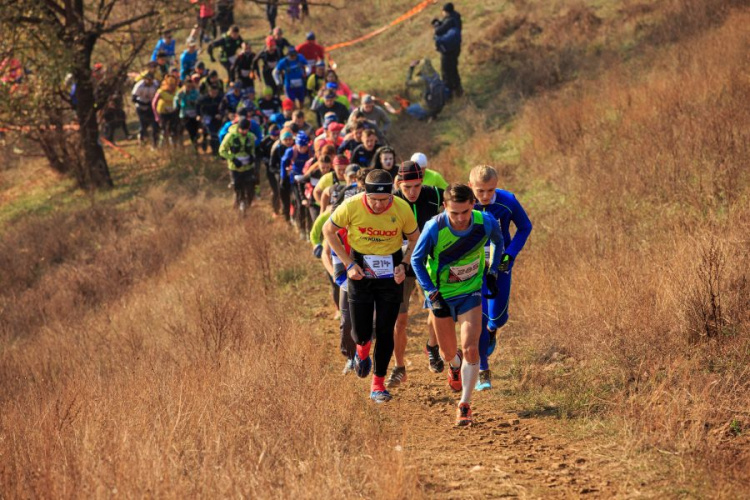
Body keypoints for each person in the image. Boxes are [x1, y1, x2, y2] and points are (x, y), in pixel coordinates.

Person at [411, 183, 505, 426]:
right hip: (441, 295)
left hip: (470, 292)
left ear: (472, 205)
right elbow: (416, 261)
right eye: (454, 213)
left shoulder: (486, 221)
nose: (461, 218)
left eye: (465, 212)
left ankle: (464, 404)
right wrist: (431, 293)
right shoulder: (435, 227)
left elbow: (499, 242)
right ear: (445, 207)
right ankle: (454, 365)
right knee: (448, 353)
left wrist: (493, 271)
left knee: (471, 348)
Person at [323, 169, 420, 403]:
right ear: (365, 193)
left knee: (386, 330)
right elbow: (328, 230)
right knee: (361, 331)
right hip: (360, 270)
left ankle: (378, 384)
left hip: (390, 271)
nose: (378, 206)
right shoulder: (352, 205)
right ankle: (362, 350)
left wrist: (404, 264)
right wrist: (348, 264)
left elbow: (416, 237)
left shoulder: (401, 207)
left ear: (391, 195)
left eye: (384, 200)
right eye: (374, 200)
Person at [469, 165, 532, 390]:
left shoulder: (507, 200)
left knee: (497, 317)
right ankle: (483, 372)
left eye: (490, 190)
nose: (485, 196)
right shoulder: (464, 202)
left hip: (500, 266)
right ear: (470, 187)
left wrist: (510, 253)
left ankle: (493, 330)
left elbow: (525, 227)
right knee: (478, 319)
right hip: (472, 268)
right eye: (480, 191)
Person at [387, 161, 444, 388]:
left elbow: (463, 202)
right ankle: (399, 367)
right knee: (400, 320)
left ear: (423, 182)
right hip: (400, 265)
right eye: (407, 187)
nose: (412, 192)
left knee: (437, 309)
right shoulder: (390, 201)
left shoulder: (434, 195)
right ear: (398, 184)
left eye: (417, 186)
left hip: (428, 263)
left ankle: (432, 347)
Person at [219, 118, 257, 209]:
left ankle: (247, 206)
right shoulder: (230, 137)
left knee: (251, 188)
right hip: (235, 167)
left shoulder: (251, 137)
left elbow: (252, 149)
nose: (244, 131)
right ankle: (238, 206)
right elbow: (221, 151)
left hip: (248, 167)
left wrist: (252, 156)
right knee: (238, 189)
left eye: (246, 129)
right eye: (242, 129)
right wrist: (232, 158)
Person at [432, 2, 463, 97]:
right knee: (453, 69)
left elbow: (438, 31)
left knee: (446, 71)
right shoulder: (456, 17)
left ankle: (449, 93)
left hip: (448, 50)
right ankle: (458, 90)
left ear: (446, 11)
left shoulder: (450, 20)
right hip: (455, 48)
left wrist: (436, 25)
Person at [131, 72, 160, 146]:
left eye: (151, 80)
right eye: (148, 80)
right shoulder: (139, 85)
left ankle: (155, 143)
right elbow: (133, 98)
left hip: (151, 106)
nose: (150, 81)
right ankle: (142, 139)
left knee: (155, 125)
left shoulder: (155, 84)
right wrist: (143, 104)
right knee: (144, 125)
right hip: (141, 107)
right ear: (145, 79)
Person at [196, 84, 224, 154]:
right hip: (206, 117)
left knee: (217, 132)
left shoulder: (220, 98)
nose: (214, 94)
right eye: (212, 92)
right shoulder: (203, 99)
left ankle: (217, 149)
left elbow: (224, 107)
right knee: (210, 132)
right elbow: (197, 106)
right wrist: (198, 115)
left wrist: (220, 114)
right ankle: (210, 148)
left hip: (216, 117)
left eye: (216, 93)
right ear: (209, 91)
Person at [175, 77, 201, 148]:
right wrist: (179, 99)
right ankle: (181, 146)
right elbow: (176, 103)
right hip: (184, 114)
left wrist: (192, 101)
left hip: (194, 115)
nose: (188, 87)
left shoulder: (195, 92)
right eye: (187, 86)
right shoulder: (181, 93)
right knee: (185, 130)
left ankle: (195, 147)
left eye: (190, 86)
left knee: (194, 132)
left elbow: (198, 102)